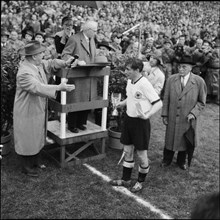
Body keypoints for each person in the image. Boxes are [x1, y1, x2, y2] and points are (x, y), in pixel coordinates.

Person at [14, 40, 76, 177]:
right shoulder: (24, 72)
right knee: (28, 136)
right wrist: (59, 87)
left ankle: (34, 161)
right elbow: (37, 87)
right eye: (41, 53)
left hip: (36, 108)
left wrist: (65, 62)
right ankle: (26, 166)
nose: (44, 54)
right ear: (34, 55)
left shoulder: (37, 64)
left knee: (36, 134)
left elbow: (51, 63)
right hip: (27, 110)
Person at [110, 58, 163, 193]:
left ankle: (140, 181)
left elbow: (158, 103)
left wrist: (147, 115)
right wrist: (122, 103)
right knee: (127, 151)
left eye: (128, 69)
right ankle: (126, 180)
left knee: (141, 155)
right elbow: (131, 97)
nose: (125, 71)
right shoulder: (129, 81)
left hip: (141, 123)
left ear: (137, 70)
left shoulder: (144, 84)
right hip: (129, 120)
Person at [161, 55, 207, 170]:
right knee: (170, 138)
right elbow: (166, 98)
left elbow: (202, 102)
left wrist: (193, 113)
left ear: (191, 68)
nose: (180, 69)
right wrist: (165, 114)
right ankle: (167, 159)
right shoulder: (171, 79)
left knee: (184, 140)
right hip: (172, 116)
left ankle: (181, 161)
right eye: (179, 67)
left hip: (187, 118)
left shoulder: (198, 81)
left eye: (184, 67)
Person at [61, 20, 98, 133]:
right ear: (88, 30)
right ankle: (72, 125)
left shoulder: (91, 39)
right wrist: (76, 61)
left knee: (86, 101)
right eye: (95, 31)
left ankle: (81, 123)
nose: (96, 33)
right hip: (77, 76)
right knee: (76, 100)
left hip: (89, 75)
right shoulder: (74, 38)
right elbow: (65, 55)